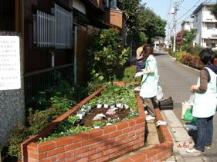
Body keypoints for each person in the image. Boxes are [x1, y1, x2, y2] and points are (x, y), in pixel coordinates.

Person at [187, 48, 217, 154]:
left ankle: (199, 147)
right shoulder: (215, 69)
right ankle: (208, 143)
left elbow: (203, 88)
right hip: (212, 101)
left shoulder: (204, 71)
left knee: (201, 125)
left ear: (203, 59)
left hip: (204, 103)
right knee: (209, 123)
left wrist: (195, 87)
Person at [137, 44, 159, 119]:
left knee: (146, 96)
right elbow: (150, 68)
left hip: (150, 80)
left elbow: (152, 69)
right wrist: (144, 71)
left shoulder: (150, 59)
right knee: (150, 96)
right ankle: (150, 111)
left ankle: (152, 114)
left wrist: (142, 72)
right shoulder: (150, 57)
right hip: (150, 80)